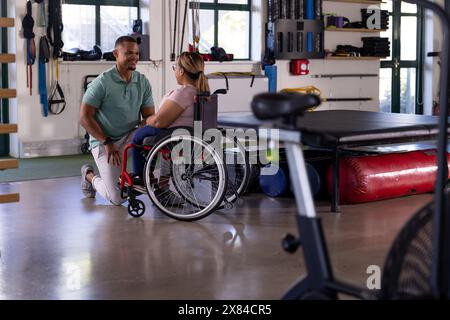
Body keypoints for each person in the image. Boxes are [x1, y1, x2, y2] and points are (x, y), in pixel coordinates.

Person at [79, 35, 154, 205]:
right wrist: (107, 142)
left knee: (153, 133)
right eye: (128, 53)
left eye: (136, 53)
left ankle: (146, 180)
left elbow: (149, 116)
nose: (134, 57)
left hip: (129, 135)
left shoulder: (142, 82)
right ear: (116, 54)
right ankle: (89, 176)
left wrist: (149, 123)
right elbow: (84, 118)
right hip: (104, 140)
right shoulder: (102, 83)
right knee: (117, 198)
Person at [131, 51, 210, 179]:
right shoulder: (202, 91)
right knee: (152, 135)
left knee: (136, 138)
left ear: (181, 71)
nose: (175, 71)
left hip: (176, 135)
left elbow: (159, 122)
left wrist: (146, 120)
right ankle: (156, 178)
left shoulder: (183, 93)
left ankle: (139, 176)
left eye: (175, 67)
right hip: (190, 133)